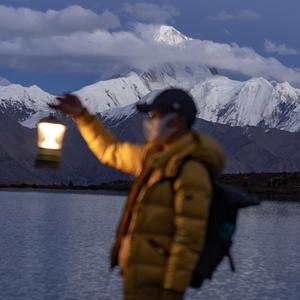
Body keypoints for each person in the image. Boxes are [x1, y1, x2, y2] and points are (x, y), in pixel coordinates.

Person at [50, 88, 225, 300]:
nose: (151, 122)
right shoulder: (153, 159)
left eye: (156, 116)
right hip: (139, 278)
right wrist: (81, 116)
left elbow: (189, 238)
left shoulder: (191, 172)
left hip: (159, 287)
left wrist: (172, 290)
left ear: (176, 122)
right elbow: (110, 151)